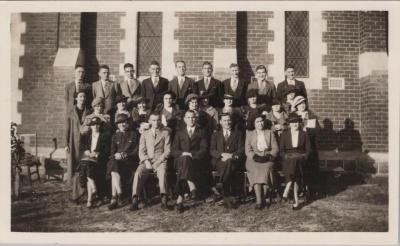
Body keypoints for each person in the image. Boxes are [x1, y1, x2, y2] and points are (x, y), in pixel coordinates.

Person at [130, 113, 171, 211]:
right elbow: (141, 150)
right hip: (147, 160)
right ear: (149, 121)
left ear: (160, 121)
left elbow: (167, 150)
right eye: (153, 120)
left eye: (157, 120)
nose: (155, 122)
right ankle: (135, 200)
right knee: (138, 173)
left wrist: (159, 161)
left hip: (160, 160)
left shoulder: (165, 133)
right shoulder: (145, 133)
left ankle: (164, 200)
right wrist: (146, 160)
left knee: (162, 173)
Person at [171, 110, 208, 213]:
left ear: (195, 119)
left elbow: (204, 149)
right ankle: (192, 186)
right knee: (184, 161)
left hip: (195, 161)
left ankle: (179, 201)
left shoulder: (201, 131)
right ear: (184, 119)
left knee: (184, 170)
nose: (191, 119)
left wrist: (192, 155)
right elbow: (173, 150)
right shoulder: (179, 132)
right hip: (179, 160)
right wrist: (183, 154)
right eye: (188, 117)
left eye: (193, 117)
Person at [210, 113, 245, 208]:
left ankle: (222, 187)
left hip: (233, 160)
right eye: (224, 120)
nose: (227, 122)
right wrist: (222, 154)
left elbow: (241, 148)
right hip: (219, 161)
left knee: (229, 162)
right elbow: (212, 150)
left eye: (229, 120)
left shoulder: (238, 134)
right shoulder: (215, 134)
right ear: (220, 122)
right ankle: (228, 194)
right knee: (228, 164)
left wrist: (232, 155)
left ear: (232, 121)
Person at [245, 114, 279, 210]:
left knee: (266, 169)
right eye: (257, 122)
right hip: (254, 159)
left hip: (267, 157)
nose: (260, 123)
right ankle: (259, 201)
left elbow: (275, 148)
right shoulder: (249, 134)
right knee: (255, 170)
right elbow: (247, 150)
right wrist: (255, 156)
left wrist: (269, 156)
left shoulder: (270, 133)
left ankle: (262, 199)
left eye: (261, 121)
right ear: (254, 124)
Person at [107, 114, 140, 210]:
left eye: (124, 122)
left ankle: (114, 198)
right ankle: (120, 193)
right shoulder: (115, 136)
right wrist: (115, 155)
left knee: (113, 168)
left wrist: (126, 154)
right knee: (113, 164)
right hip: (118, 162)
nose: (122, 124)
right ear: (117, 125)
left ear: (128, 123)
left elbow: (136, 151)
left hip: (130, 161)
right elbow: (112, 152)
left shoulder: (134, 134)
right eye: (120, 123)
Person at [280, 113, 311, 210]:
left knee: (296, 162)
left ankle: (287, 189)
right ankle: (296, 202)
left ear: (299, 123)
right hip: (288, 159)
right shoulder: (284, 134)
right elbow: (281, 150)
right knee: (295, 169)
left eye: (296, 122)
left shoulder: (304, 134)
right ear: (289, 123)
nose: (295, 124)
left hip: (300, 159)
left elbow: (308, 149)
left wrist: (304, 156)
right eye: (292, 122)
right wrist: (285, 156)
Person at [78, 117, 110, 208]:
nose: (95, 126)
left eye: (97, 124)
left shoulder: (104, 136)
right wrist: (86, 150)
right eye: (93, 125)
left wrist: (97, 153)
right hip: (88, 157)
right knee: (87, 166)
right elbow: (82, 146)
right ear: (91, 126)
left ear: (100, 126)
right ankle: (93, 189)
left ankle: (89, 200)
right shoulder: (87, 135)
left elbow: (107, 149)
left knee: (87, 167)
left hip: (98, 159)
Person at [293, 96, 320, 201]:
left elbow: (317, 132)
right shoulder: (294, 117)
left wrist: (307, 129)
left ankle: (310, 190)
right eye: (300, 104)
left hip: (310, 147)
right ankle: (299, 190)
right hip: (297, 147)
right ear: (296, 106)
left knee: (310, 169)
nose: (302, 105)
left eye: (304, 103)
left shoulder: (311, 116)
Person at [65, 90, 89, 201]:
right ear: (76, 98)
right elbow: (67, 129)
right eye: (80, 96)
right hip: (73, 142)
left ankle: (81, 190)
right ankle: (75, 191)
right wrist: (66, 143)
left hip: (85, 143)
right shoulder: (71, 113)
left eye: (84, 96)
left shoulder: (88, 112)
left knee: (83, 166)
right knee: (74, 167)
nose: (82, 99)